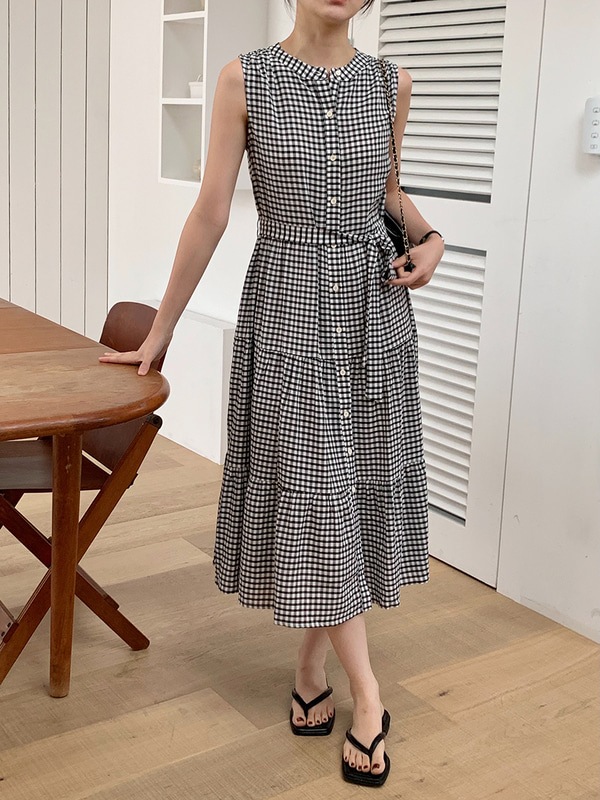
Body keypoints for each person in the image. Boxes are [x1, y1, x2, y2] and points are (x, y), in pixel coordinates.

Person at [100, 0, 444, 787]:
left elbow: (388, 196)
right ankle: (369, 696)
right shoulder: (243, 79)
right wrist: (161, 327)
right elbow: (210, 213)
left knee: (348, 493)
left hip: (374, 316)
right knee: (319, 494)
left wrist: (433, 240)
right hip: (289, 310)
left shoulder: (393, 83)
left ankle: (310, 668)